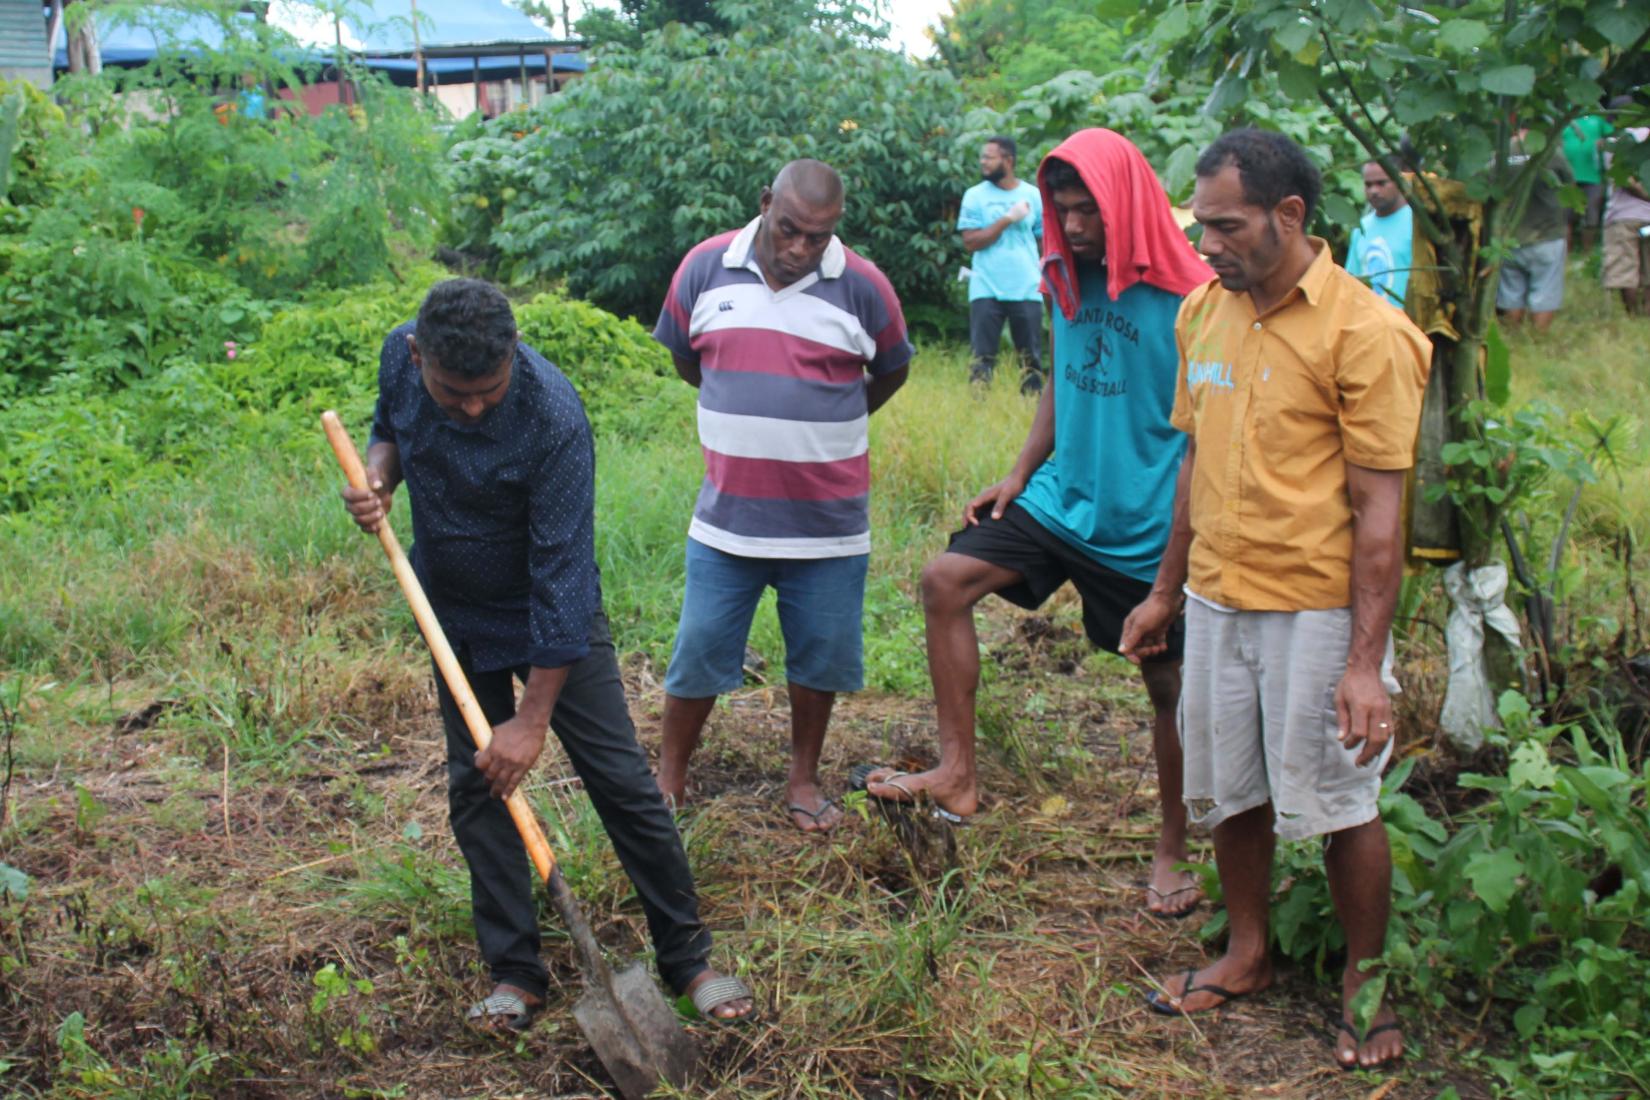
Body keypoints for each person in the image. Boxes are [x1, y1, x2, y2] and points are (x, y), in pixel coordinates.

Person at [340, 278, 752, 1030]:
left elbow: (562, 578)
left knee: (621, 781)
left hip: (549, 616)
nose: (471, 406)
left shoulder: (552, 416)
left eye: (487, 391)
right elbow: (387, 432)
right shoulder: (400, 360)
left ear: (514, 354)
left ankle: (688, 958)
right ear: (417, 354)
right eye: (452, 391)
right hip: (454, 615)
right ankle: (517, 974)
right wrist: (376, 481)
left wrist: (531, 722)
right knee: (478, 786)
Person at [1120, 129, 1429, 1072]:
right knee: (1231, 792)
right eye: (1199, 224)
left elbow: (1382, 516)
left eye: (1225, 225)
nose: (1204, 244)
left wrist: (1363, 664)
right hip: (1217, 598)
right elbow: (1194, 463)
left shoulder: (1366, 332)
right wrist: (1166, 590)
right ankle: (1247, 951)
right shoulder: (1203, 315)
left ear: (1288, 216)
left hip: (1314, 610)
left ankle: (1364, 992)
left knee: (1339, 803)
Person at [857, 128, 1214, 917]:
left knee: (1168, 685)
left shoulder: (1194, 297)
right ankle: (957, 773)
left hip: (1148, 519)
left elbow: (1207, 433)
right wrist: (1020, 474)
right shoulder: (1062, 277)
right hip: (1064, 497)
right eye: (1064, 210)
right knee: (945, 580)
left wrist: (1179, 564)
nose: (1077, 226)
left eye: (1091, 210)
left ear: (1128, 202)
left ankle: (1173, 847)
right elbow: (1059, 376)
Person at [651, 160, 913, 833]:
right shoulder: (705, 268)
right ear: (765, 202)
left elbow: (890, 369)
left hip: (827, 526)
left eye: (818, 238)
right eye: (790, 230)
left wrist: (822, 423)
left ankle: (803, 779)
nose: (800, 250)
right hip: (727, 520)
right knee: (700, 650)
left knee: (818, 657)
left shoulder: (864, 288)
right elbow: (687, 356)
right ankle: (668, 780)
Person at [958, 136, 1046, 394]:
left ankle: (1031, 404)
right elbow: (971, 241)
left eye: (989, 157)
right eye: (982, 157)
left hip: (1027, 286)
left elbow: (1043, 239)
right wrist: (1008, 219)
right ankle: (978, 405)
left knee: (1030, 357)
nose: (983, 162)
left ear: (1008, 160)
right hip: (986, 286)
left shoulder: (1032, 195)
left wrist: (1044, 272)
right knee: (982, 356)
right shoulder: (974, 196)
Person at [1498, 135, 1575, 331]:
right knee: (1545, 292)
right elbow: (1570, 189)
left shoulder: (1502, 153)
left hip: (1509, 237)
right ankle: (1538, 340)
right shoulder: (1551, 152)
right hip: (1546, 235)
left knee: (1510, 293)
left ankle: (1513, 337)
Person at [1601, 107, 1650, 318]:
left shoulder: (1616, 142)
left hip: (1624, 216)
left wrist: (1644, 193)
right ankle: (1647, 312)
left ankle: (1632, 314)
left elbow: (1621, 178)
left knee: (1625, 269)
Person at [1345, 159, 1412, 309]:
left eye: (1381, 183)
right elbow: (1352, 283)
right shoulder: (1360, 228)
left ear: (1398, 181)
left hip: (1410, 325)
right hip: (1370, 326)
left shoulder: (1416, 224)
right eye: (1368, 185)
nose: (1374, 191)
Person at [1561, 112, 1613, 253]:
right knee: (1565, 218)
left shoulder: (1597, 119)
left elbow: (1612, 134)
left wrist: (1604, 142)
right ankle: (1566, 254)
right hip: (1566, 178)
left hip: (1593, 176)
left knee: (1591, 217)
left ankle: (1587, 254)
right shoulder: (1564, 118)